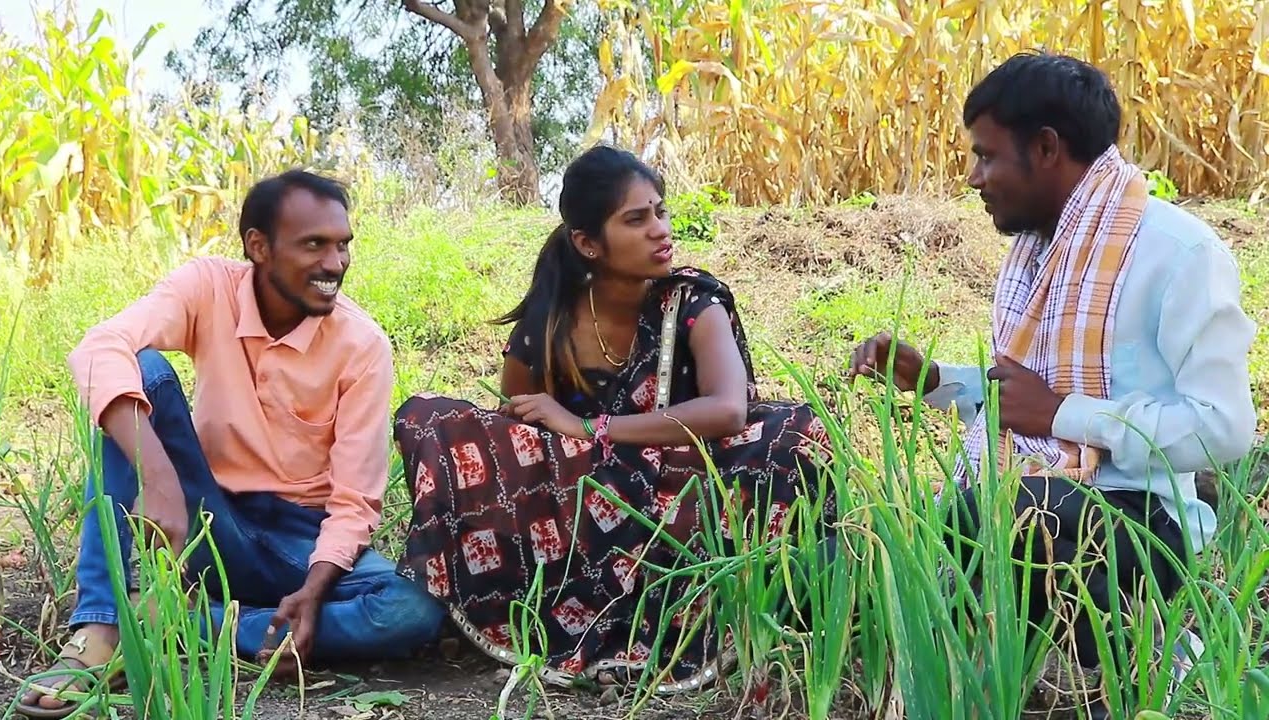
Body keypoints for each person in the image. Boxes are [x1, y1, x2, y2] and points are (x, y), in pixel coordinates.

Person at [850, 52, 1256, 717]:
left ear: (1046, 149)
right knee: (885, 534)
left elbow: (1223, 430)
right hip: (1049, 501)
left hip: (1142, 519)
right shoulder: (1042, 251)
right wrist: (932, 381)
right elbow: (1027, 401)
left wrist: (1066, 415)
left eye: (986, 156)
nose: (974, 177)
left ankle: (1140, 662)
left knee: (982, 515)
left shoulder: (1178, 253)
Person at [392, 145, 831, 692]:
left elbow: (728, 409)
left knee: (793, 432)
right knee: (430, 419)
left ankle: (708, 614)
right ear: (587, 243)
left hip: (687, 480)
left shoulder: (694, 302)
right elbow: (520, 430)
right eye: (636, 219)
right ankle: (530, 601)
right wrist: (568, 441)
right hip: (581, 498)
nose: (659, 229)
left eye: (660, 211)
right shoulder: (549, 321)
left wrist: (594, 430)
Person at [17, 170, 445, 718]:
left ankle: (177, 625)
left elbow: (354, 503)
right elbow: (101, 347)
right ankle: (102, 624)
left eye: (343, 246)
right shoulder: (208, 288)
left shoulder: (362, 346)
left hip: (299, 541)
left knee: (415, 609)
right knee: (139, 370)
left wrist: (313, 592)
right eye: (314, 244)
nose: (334, 264)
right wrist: (159, 479)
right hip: (209, 514)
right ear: (258, 246)